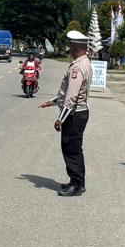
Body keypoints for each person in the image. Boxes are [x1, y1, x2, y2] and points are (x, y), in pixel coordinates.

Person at [39, 30, 91, 197]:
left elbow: (71, 96)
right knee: (75, 148)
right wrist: (53, 101)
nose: (69, 48)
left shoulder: (77, 67)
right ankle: (78, 182)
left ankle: (76, 185)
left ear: (75, 47)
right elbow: (68, 92)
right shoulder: (85, 62)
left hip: (74, 114)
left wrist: (60, 119)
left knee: (70, 149)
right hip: (79, 112)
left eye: (70, 45)